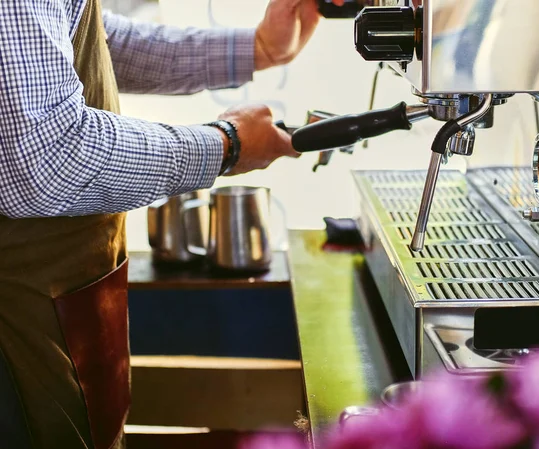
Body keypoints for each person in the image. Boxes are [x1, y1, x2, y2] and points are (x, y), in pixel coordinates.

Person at [0, 0, 343, 447]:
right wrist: (225, 146)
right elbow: (49, 160)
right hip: (17, 319)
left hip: (61, 294)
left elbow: (96, 42)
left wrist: (257, 48)